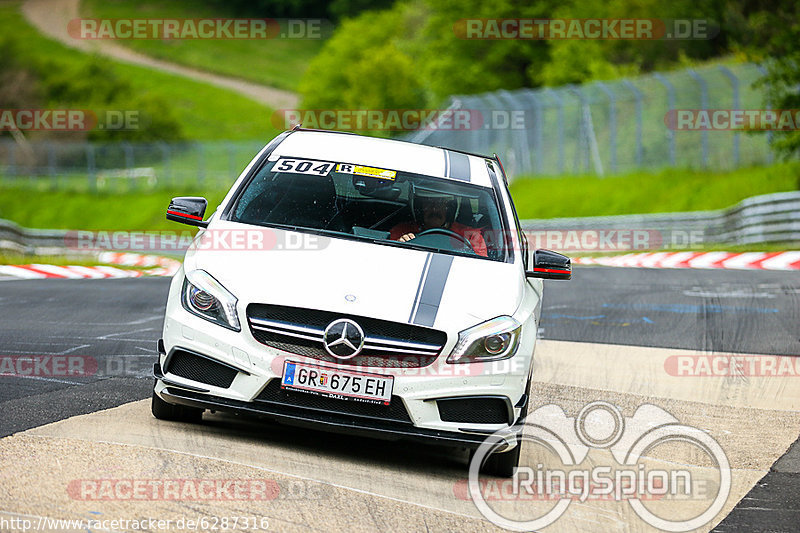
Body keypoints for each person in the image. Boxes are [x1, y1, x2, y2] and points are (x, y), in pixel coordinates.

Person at [389, 192, 488, 257]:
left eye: (440, 203)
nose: (434, 209)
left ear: (450, 209)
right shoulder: (401, 231)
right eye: (428, 203)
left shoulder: (471, 236)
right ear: (419, 207)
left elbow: (481, 268)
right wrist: (400, 245)